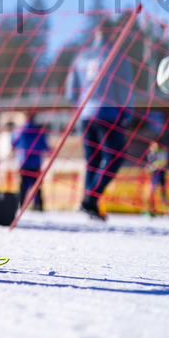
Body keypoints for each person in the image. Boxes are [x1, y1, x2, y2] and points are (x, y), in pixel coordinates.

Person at [65, 18, 135, 221]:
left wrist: (80, 107)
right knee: (116, 157)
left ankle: (89, 203)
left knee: (93, 159)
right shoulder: (117, 56)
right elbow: (124, 88)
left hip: (85, 113)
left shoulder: (81, 56)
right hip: (108, 112)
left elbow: (71, 90)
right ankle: (90, 199)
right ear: (112, 33)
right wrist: (126, 113)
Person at [11, 117, 49, 212]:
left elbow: (13, 143)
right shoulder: (39, 132)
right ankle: (38, 205)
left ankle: (21, 204)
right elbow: (44, 146)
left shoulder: (19, 131)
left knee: (23, 185)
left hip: (23, 161)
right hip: (36, 162)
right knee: (36, 185)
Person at [145, 142, 169, 215]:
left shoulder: (161, 151)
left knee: (154, 191)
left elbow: (161, 163)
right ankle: (153, 210)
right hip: (156, 173)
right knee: (159, 192)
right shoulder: (153, 152)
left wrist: (149, 168)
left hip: (158, 172)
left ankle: (152, 210)